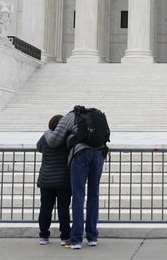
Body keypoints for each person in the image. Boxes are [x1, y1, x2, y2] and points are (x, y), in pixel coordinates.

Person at [44, 106, 107, 249]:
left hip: (80, 154)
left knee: (78, 196)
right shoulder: (96, 116)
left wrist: (48, 132)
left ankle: (77, 239)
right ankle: (92, 237)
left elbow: (53, 141)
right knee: (93, 196)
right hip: (98, 155)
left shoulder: (69, 117)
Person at [36, 114, 71, 246]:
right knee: (63, 209)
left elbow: (38, 147)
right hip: (63, 179)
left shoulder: (45, 137)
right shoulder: (67, 138)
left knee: (45, 208)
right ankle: (65, 237)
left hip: (46, 178)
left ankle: (43, 236)